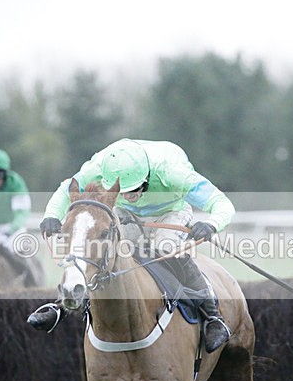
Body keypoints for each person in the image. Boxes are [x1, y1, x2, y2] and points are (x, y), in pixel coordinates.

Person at [27, 138, 235, 353]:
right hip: (125, 213)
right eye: (123, 191)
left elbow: (222, 204)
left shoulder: (172, 172)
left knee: (164, 246)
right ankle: (64, 303)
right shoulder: (99, 167)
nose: (128, 196)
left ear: (147, 177)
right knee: (105, 251)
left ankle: (212, 316)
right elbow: (65, 189)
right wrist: (52, 215)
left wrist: (211, 224)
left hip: (171, 210)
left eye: (135, 189)